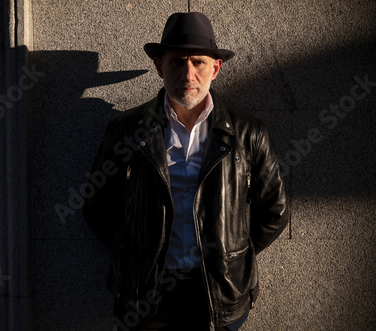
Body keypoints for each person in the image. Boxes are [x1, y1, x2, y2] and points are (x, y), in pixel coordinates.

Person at [83, 12, 289, 331]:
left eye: (198, 63)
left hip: (218, 293)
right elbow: (98, 206)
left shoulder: (248, 133)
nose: (188, 74)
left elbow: (274, 211)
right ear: (159, 66)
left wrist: (231, 253)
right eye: (178, 62)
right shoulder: (126, 131)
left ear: (215, 68)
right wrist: (136, 251)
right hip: (145, 295)